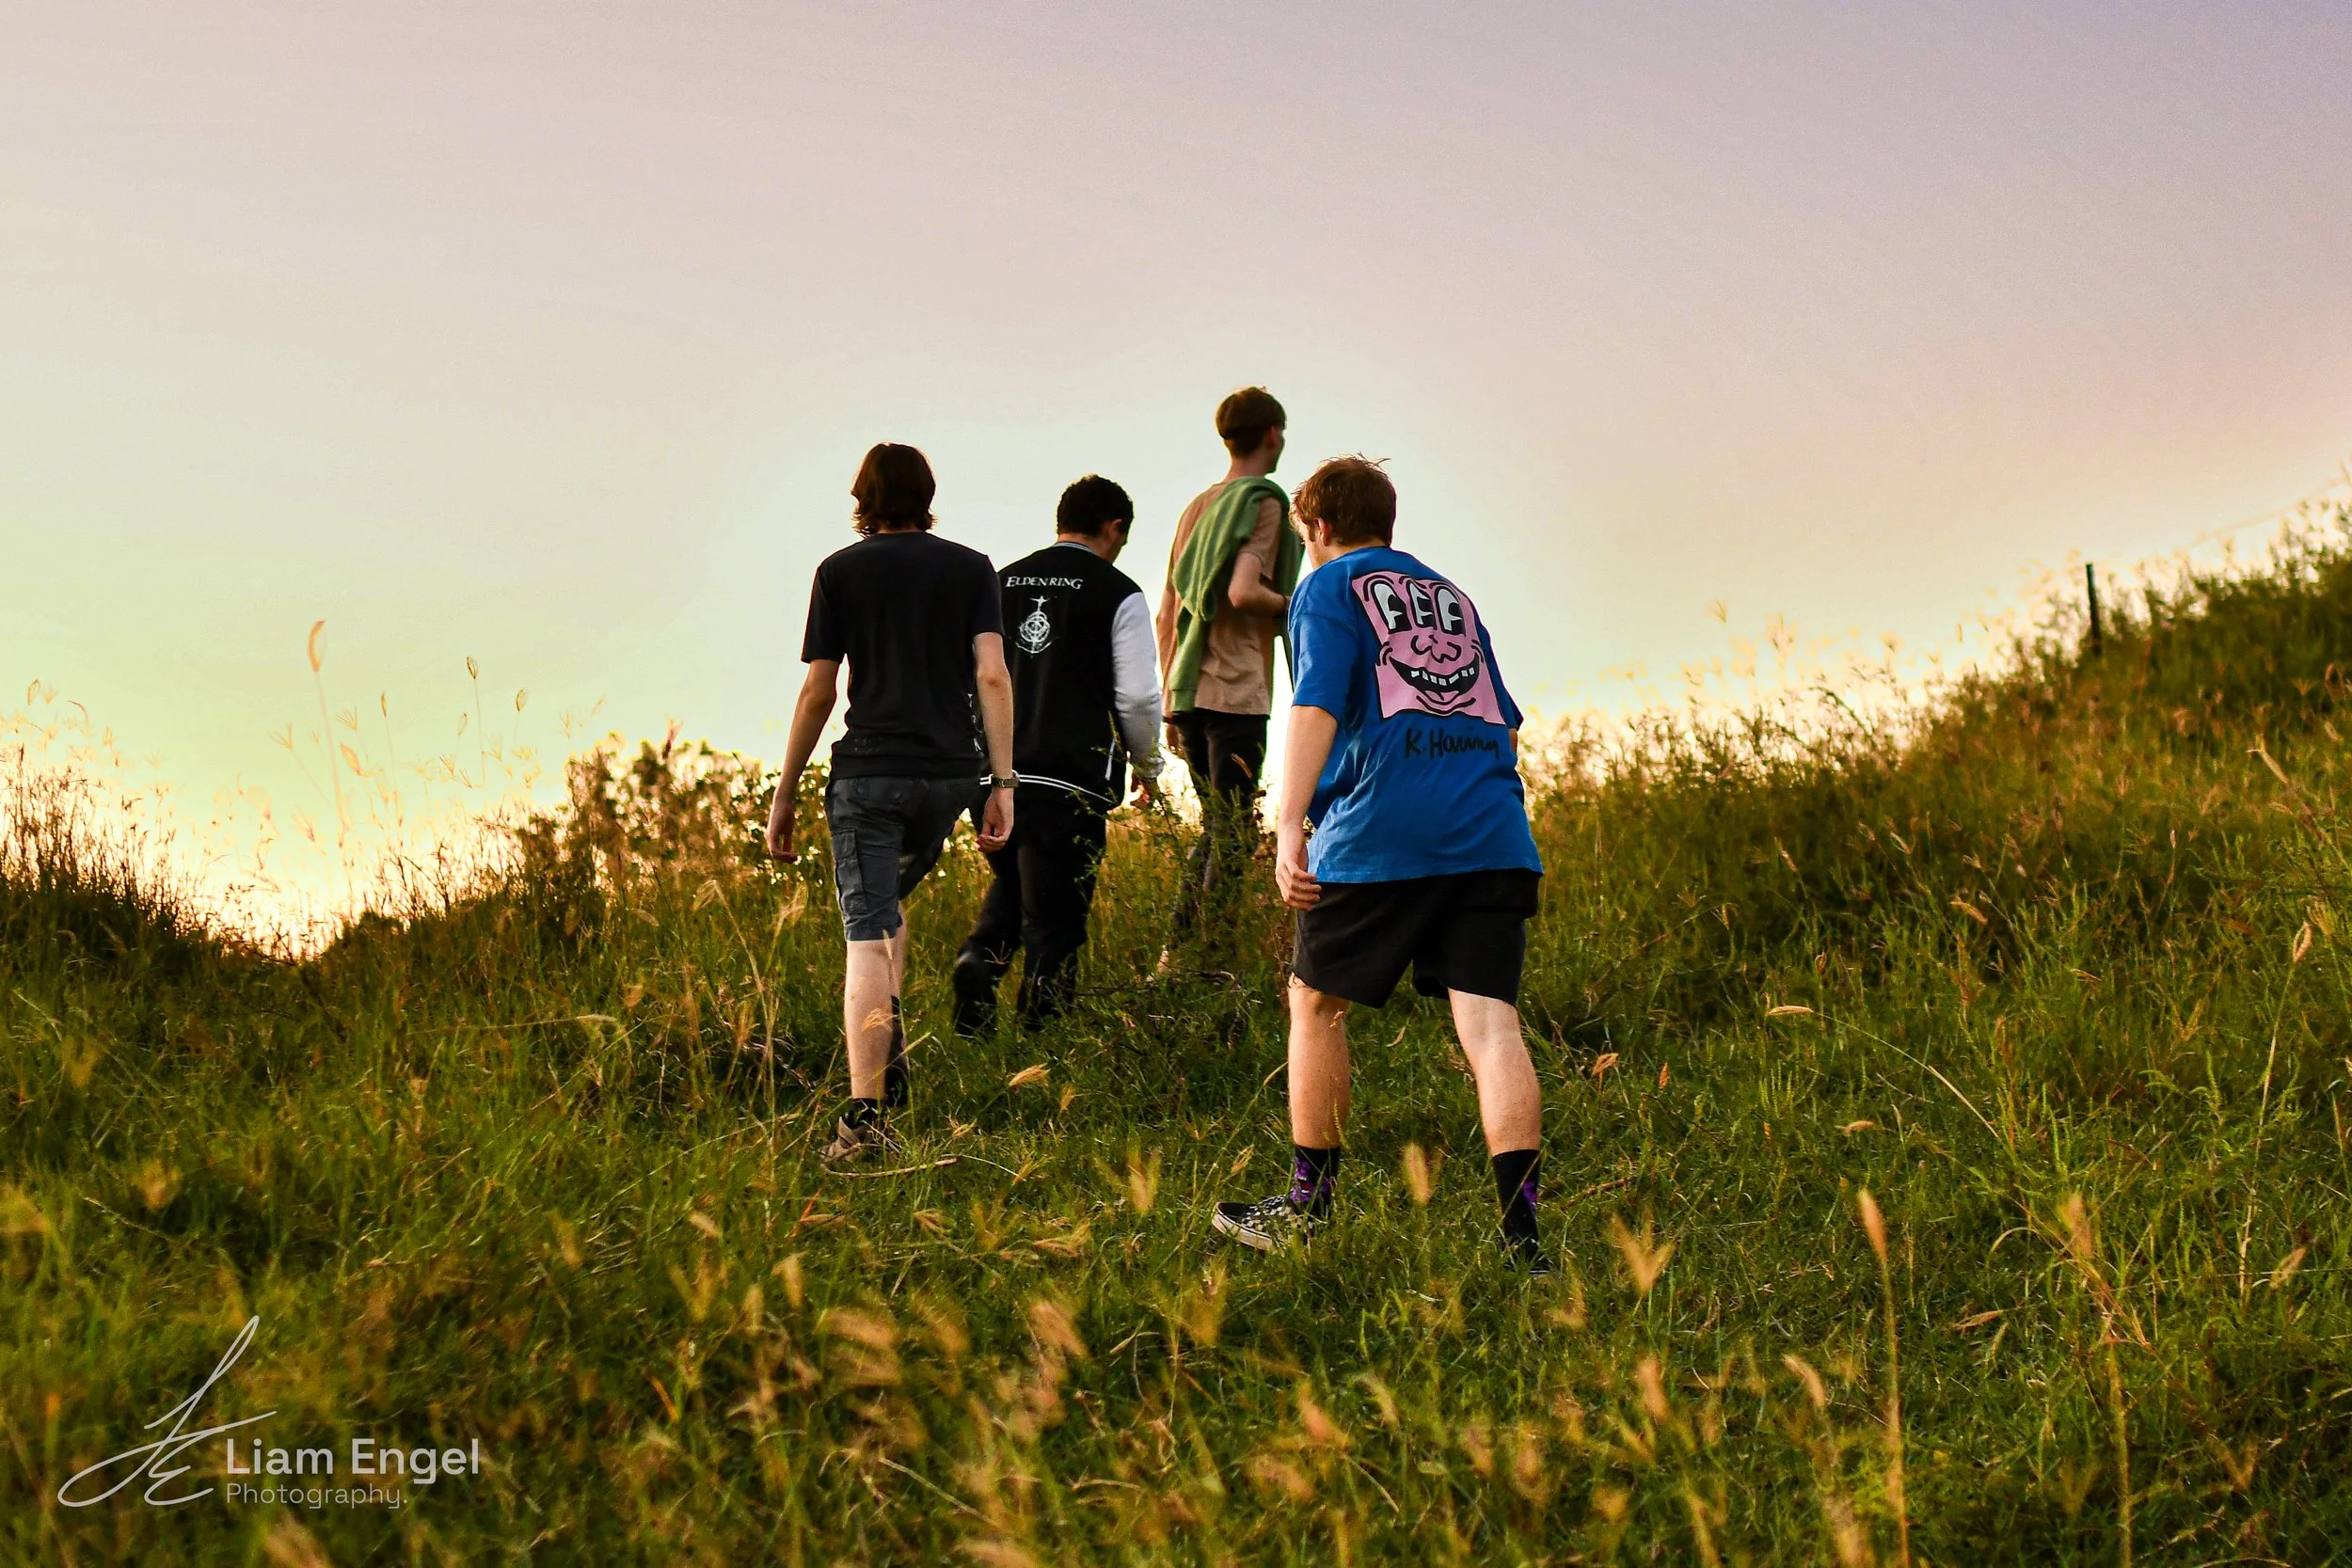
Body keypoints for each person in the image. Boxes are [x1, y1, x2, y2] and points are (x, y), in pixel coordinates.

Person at [1212, 456, 1552, 1272]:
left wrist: (1291, 823)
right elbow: (1503, 723)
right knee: (1492, 1023)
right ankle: (1525, 1245)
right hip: (1493, 832)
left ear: (1318, 528)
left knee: (1317, 1004)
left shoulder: (1326, 589)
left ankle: (1307, 1205)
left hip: (1379, 834)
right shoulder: (1455, 597)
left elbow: (1317, 702)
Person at [766, 443, 1016, 1166]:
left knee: (867, 931)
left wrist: (784, 792)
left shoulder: (840, 572)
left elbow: (820, 691)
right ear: (927, 494)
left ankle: (864, 1120)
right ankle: (891, 1054)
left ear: (862, 498)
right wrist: (999, 784)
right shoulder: (971, 567)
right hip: (947, 779)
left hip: (871, 778)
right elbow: (992, 677)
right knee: (891, 905)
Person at [951, 475, 1165, 1036]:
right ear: (1114, 527)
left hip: (995, 779)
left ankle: (977, 962)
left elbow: (971, 678)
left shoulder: (998, 584)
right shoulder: (1118, 591)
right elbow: (1138, 696)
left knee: (1020, 888)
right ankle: (1041, 1048)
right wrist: (1148, 767)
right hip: (1071, 782)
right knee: (1057, 924)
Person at [1154, 387, 1302, 962]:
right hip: (1236, 690)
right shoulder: (1263, 502)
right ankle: (1205, 965)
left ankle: (1174, 958)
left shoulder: (1199, 506)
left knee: (1217, 830)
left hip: (1190, 689)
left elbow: (1168, 608)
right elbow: (1243, 592)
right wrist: (1297, 603)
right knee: (1235, 837)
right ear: (1272, 434)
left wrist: (1171, 696)